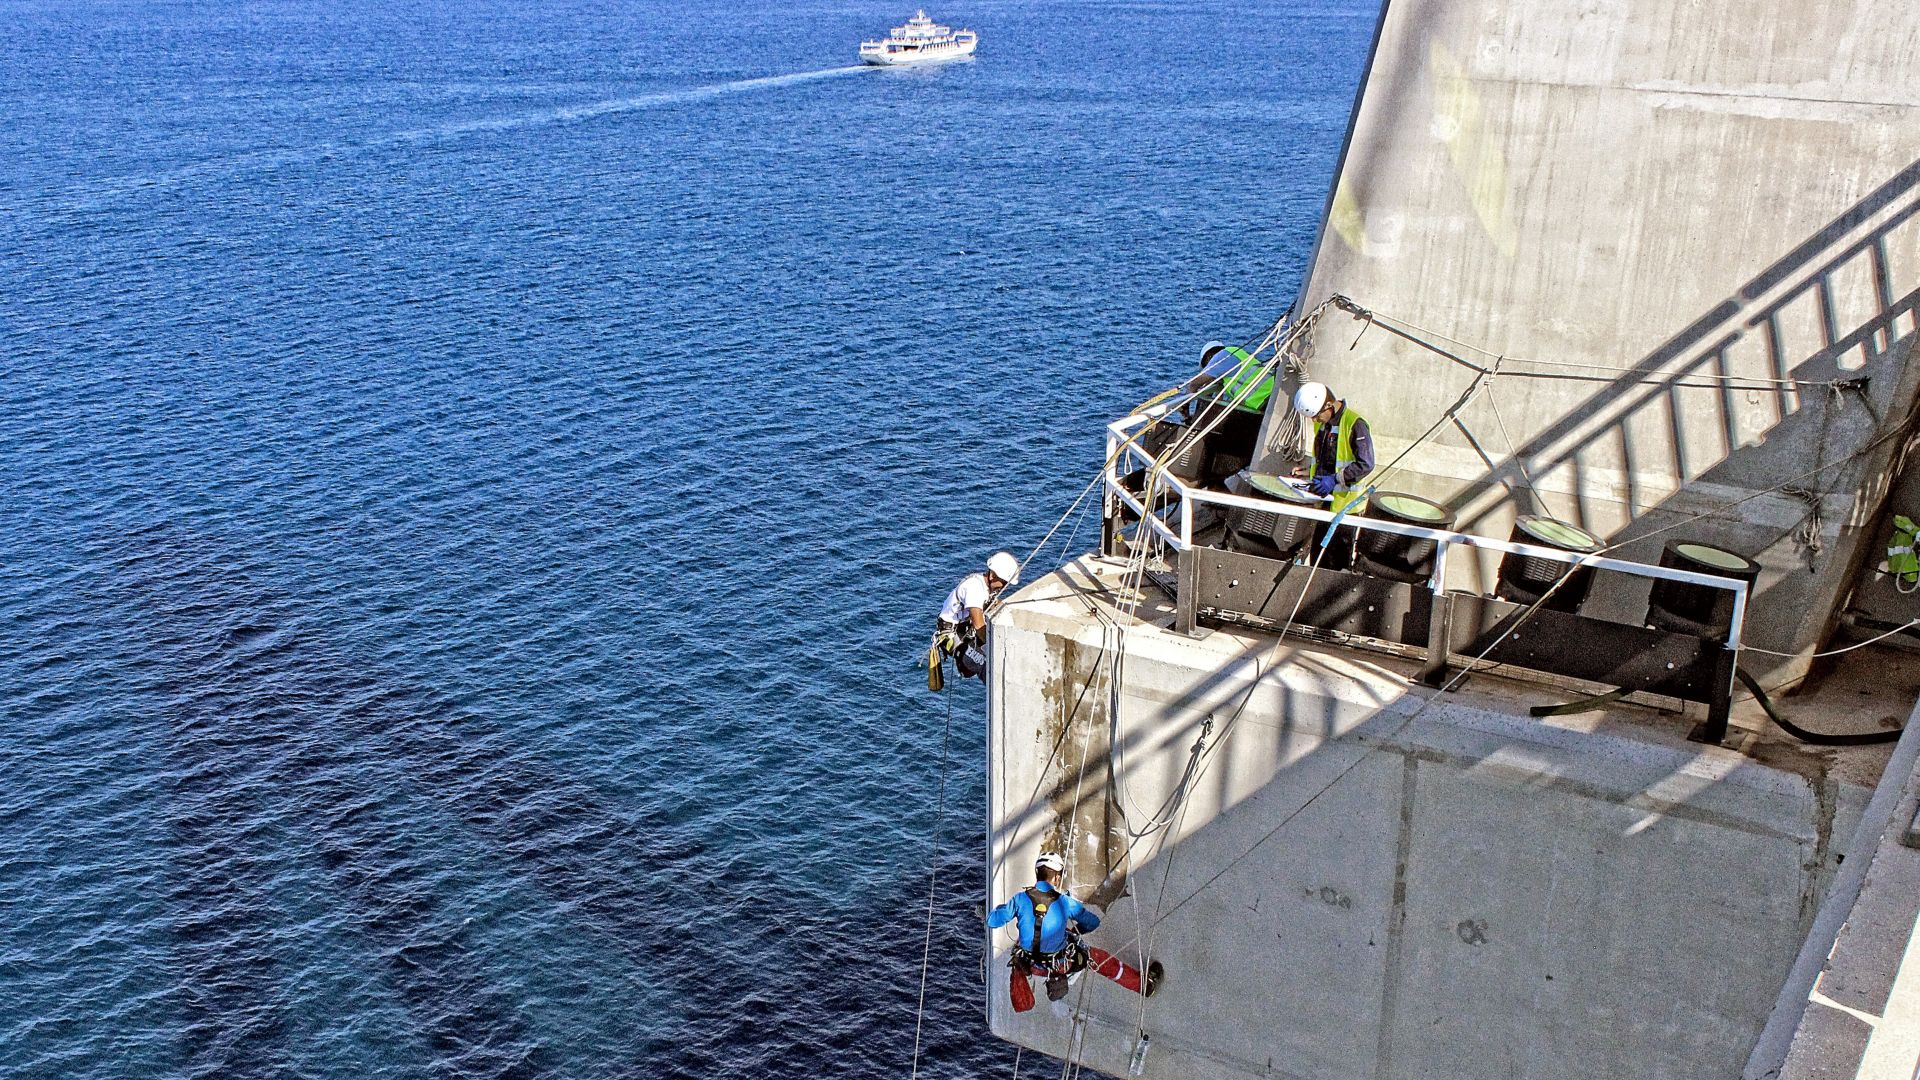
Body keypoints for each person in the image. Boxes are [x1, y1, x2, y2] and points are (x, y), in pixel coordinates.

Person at [987, 852, 1163, 1011]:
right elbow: (1093, 923)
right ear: (1056, 878)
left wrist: (1005, 909)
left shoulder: (1019, 900)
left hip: (1032, 967)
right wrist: (1076, 931)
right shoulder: (1064, 902)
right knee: (1100, 960)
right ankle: (1144, 985)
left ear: (1037, 874)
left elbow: (992, 921)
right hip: (1062, 965)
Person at [1179, 340, 1275, 489]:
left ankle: (1214, 484)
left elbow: (1193, 385)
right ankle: (1217, 483)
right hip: (1268, 401)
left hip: (1262, 403)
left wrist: (1185, 410)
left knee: (1216, 446)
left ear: (1208, 358)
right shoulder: (1237, 356)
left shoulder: (1221, 357)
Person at [929, 551, 1019, 690]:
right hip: (952, 636)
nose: (1004, 586)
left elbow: (994, 605)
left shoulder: (987, 587)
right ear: (993, 575)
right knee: (985, 663)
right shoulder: (974, 589)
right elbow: (979, 625)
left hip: (965, 632)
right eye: (1004, 582)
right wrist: (995, 646)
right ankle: (998, 695)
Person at [1289, 381, 1374, 514]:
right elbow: (1331, 460)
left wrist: (1334, 480)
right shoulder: (1323, 424)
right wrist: (1309, 471)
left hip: (1347, 509)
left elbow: (1365, 464)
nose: (1315, 421)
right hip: (1324, 501)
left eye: (1316, 415)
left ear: (1329, 405)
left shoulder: (1355, 424)